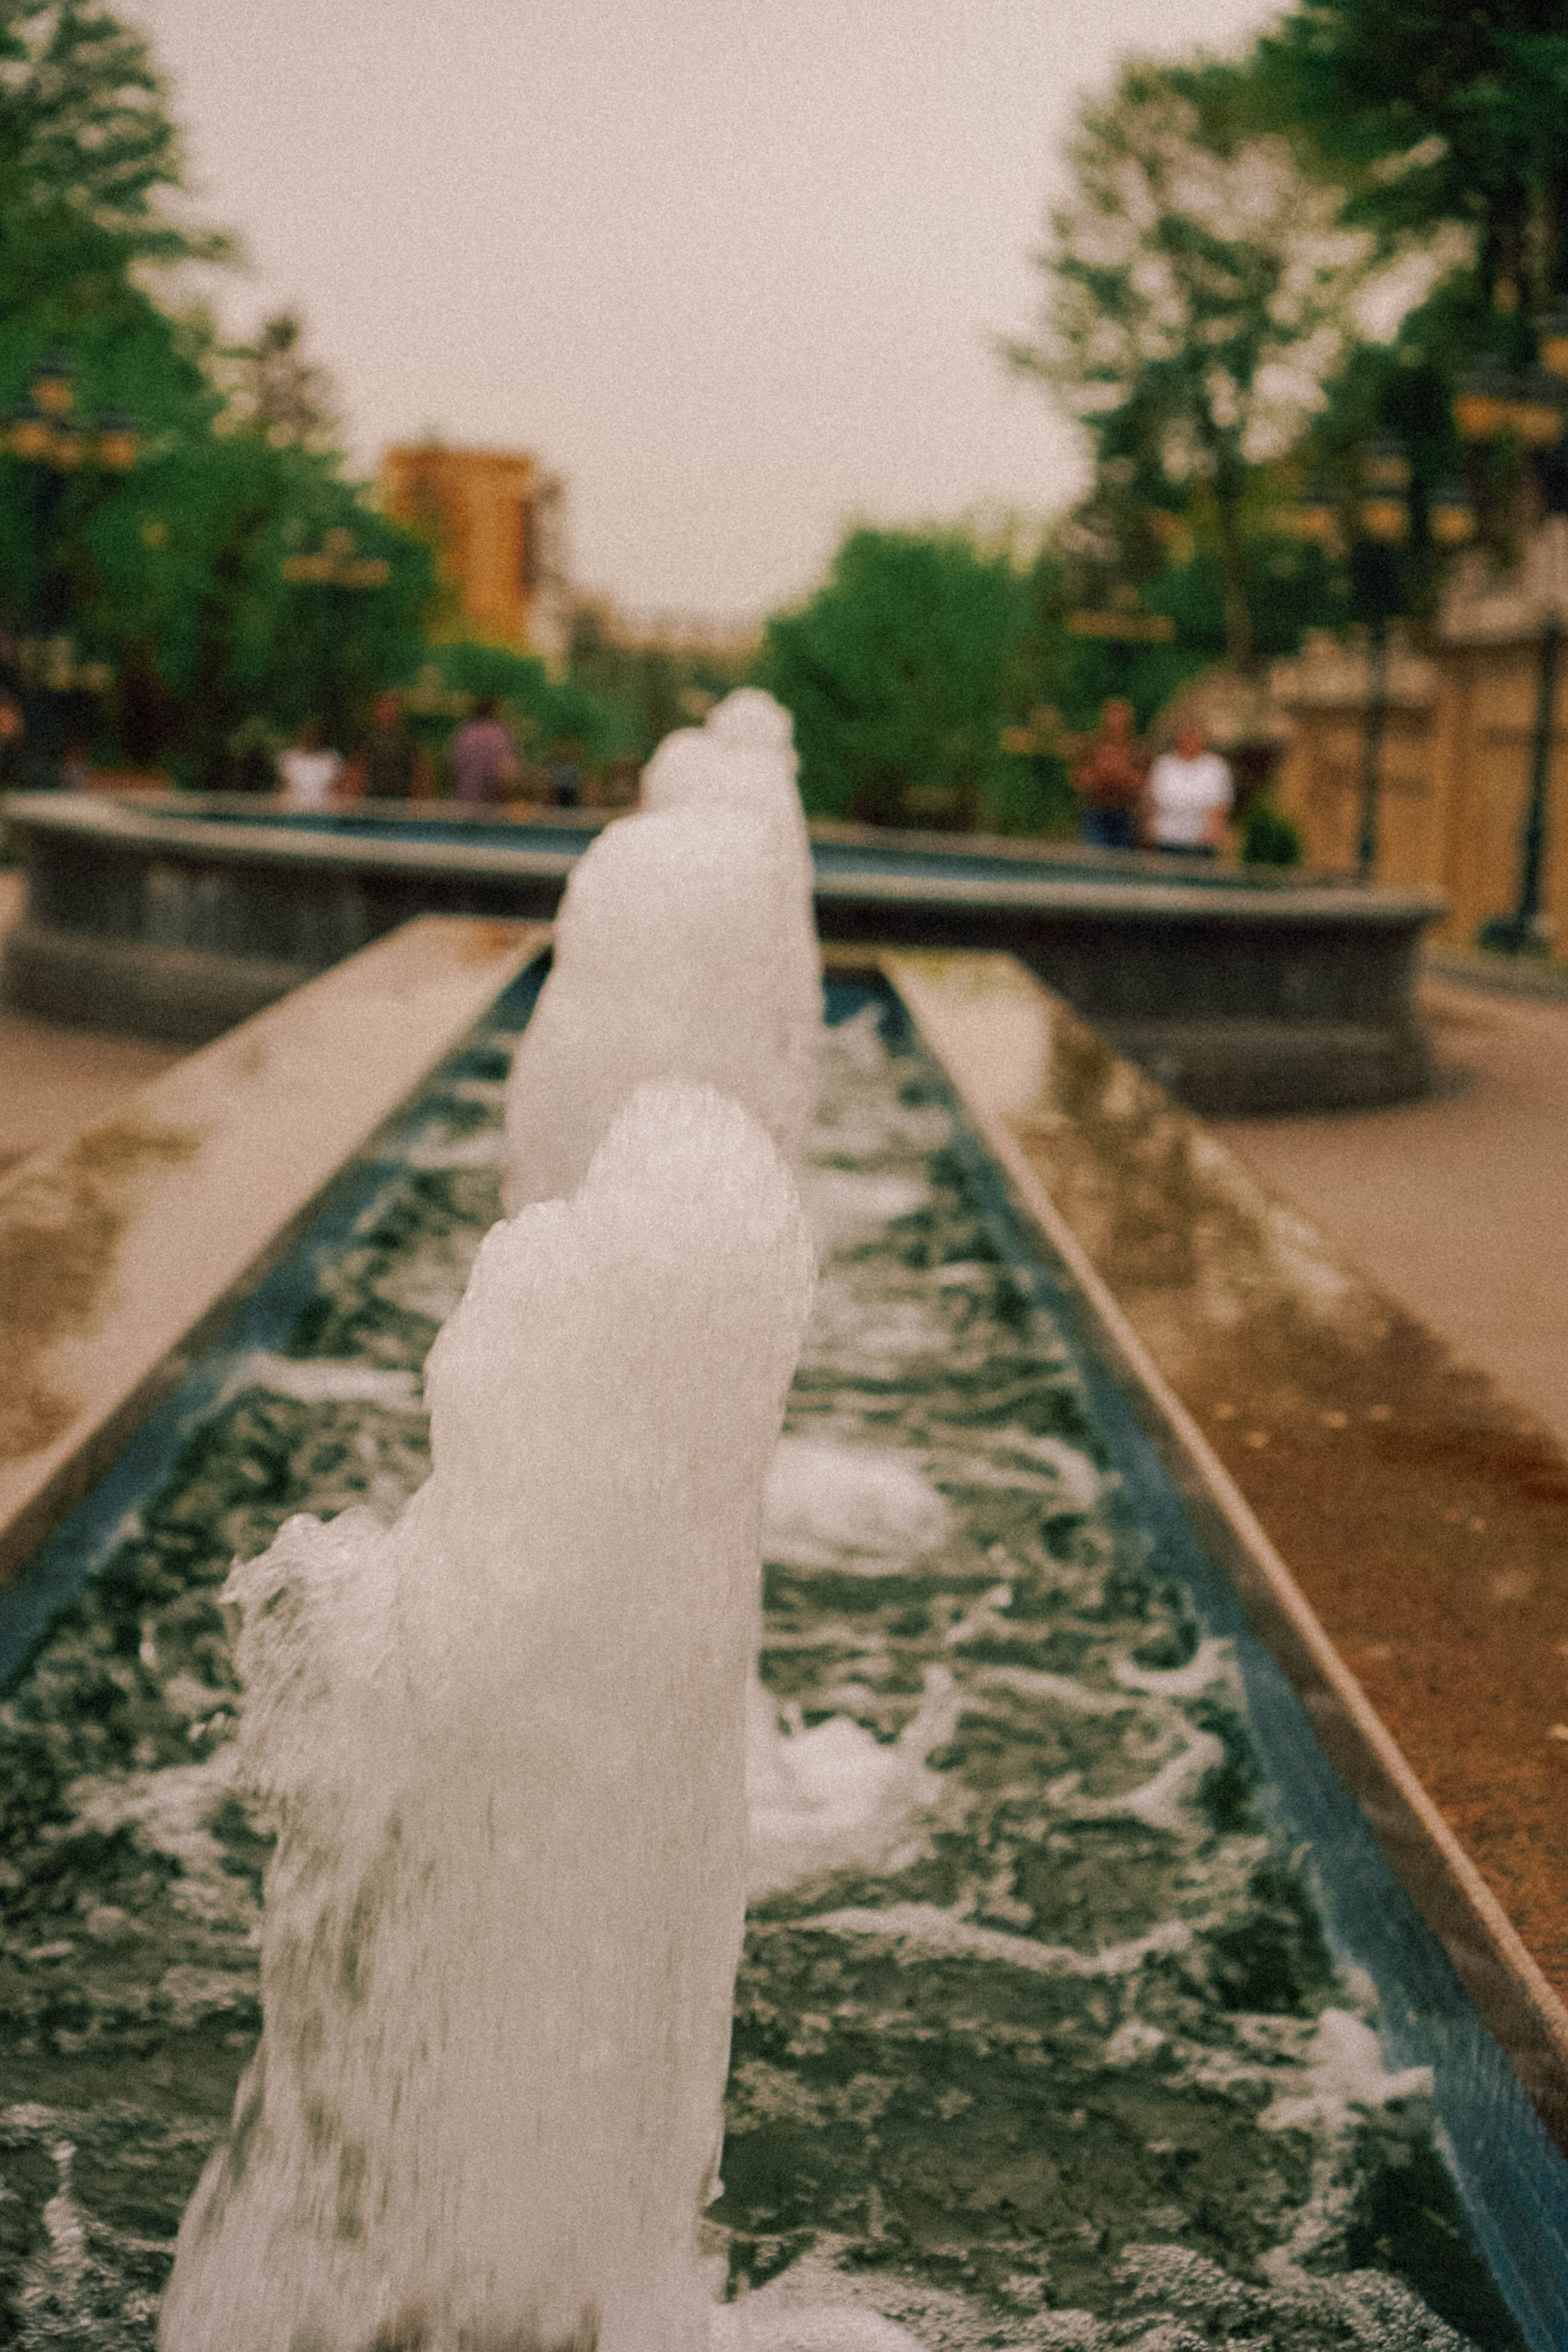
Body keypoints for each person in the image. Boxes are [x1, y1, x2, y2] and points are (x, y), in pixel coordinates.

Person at [1144, 724, 1234, 858]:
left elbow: (1221, 806)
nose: (1189, 740)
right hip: (1166, 840)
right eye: (1186, 735)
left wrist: (1211, 834)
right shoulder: (1164, 764)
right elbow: (1151, 803)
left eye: (1194, 735)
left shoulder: (1216, 766)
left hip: (1200, 845)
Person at [1071, 699, 1146, 850]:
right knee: (1094, 860)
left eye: (1120, 717)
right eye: (1112, 716)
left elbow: (1141, 782)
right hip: (1096, 811)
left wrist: (1115, 773)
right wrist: (1110, 774)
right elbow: (1080, 779)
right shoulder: (1092, 745)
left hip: (1125, 813)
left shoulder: (1137, 748)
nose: (1116, 722)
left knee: (1125, 863)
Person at [345, 690, 431, 802]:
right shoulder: (366, 736)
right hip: (371, 801)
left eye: (392, 705)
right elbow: (357, 768)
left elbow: (420, 769)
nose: (388, 710)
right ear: (376, 709)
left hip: (403, 800)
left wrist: (420, 799)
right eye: (383, 706)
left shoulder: (409, 736)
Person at [447, 696, 520, 807]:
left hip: (463, 802)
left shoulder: (465, 733)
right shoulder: (499, 735)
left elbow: (452, 768)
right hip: (492, 807)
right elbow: (508, 774)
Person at [277, 717, 342, 807]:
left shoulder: (331, 758)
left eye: (314, 735)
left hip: (324, 812)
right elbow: (283, 787)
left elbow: (337, 788)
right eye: (308, 734)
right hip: (294, 811)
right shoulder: (289, 757)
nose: (311, 738)